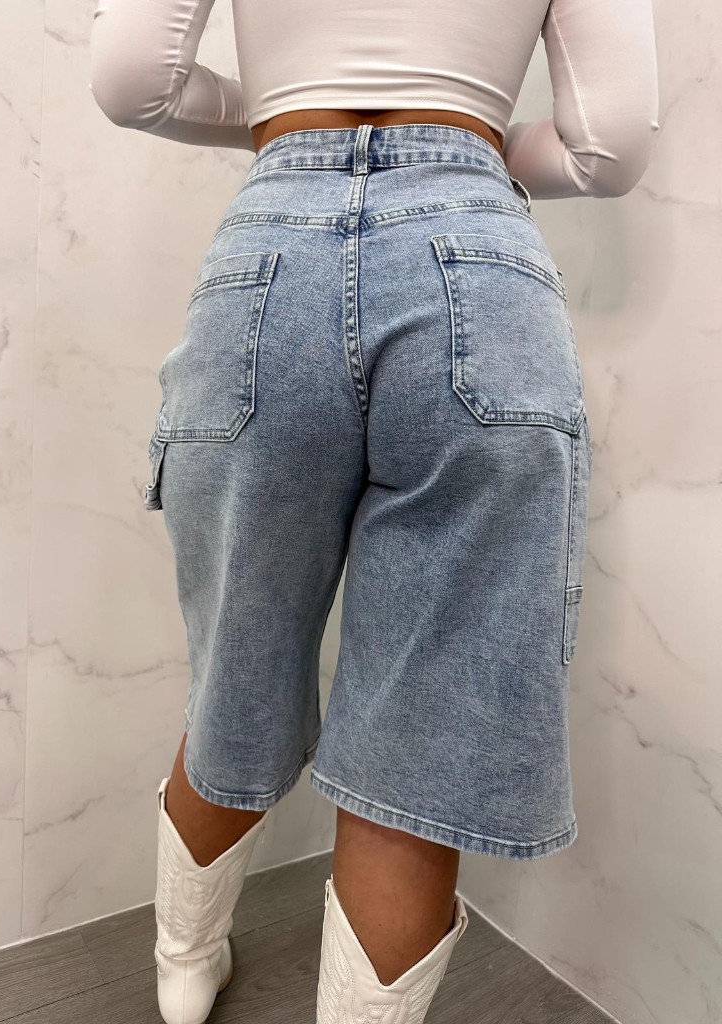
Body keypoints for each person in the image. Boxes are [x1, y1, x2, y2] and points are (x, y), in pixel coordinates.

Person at [89, 1, 660, 1022]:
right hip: (476, 255)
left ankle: (185, 959)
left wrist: (282, 114)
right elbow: (607, 148)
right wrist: (465, 142)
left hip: (271, 258)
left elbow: (133, 82)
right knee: (424, 727)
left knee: (237, 663)